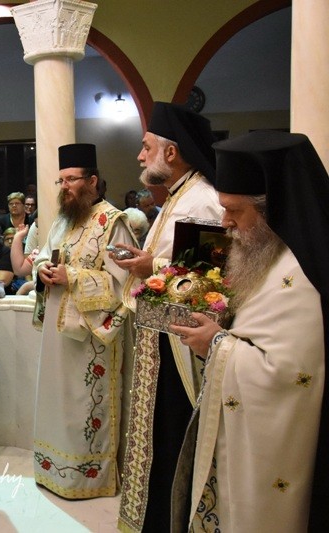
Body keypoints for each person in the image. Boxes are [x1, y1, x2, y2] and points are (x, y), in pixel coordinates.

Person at [169, 131, 329, 532]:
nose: (225, 223)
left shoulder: (301, 275)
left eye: (235, 211)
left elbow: (290, 376)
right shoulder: (268, 254)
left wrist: (216, 344)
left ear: (273, 209)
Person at [113, 102, 223, 533]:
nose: (140, 156)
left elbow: (206, 281)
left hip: (180, 350)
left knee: (170, 442)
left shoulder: (204, 200)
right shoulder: (180, 195)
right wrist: (149, 263)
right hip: (159, 346)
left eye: (146, 147)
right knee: (156, 444)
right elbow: (176, 264)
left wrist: (148, 268)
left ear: (171, 152)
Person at [32, 143, 133, 499]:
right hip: (56, 336)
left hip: (89, 340)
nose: (65, 186)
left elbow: (125, 283)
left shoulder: (113, 222)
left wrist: (72, 277)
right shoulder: (62, 222)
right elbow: (43, 256)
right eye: (61, 180)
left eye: (72, 179)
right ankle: (51, 471)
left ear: (92, 180)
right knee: (55, 403)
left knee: (80, 404)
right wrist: (41, 268)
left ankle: (87, 478)